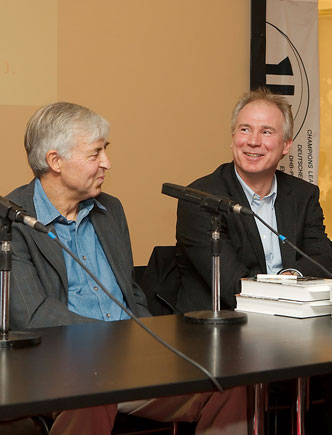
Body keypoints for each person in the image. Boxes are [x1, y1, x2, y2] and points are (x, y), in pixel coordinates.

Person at [8, 102, 246, 435]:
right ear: (55, 161)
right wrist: (116, 341)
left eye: (105, 150)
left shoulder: (110, 210)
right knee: (94, 391)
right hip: (61, 367)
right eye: (95, 153)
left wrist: (150, 343)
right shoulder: (13, 220)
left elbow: (130, 292)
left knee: (229, 383)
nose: (107, 162)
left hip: (132, 362)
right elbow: (33, 315)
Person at [175, 88, 332, 313]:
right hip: (223, 325)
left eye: (266, 132)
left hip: (292, 320)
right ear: (233, 138)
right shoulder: (201, 199)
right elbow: (234, 287)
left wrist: (290, 276)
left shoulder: (303, 195)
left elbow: (324, 262)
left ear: (286, 145)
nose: (253, 141)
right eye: (245, 129)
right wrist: (287, 288)